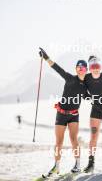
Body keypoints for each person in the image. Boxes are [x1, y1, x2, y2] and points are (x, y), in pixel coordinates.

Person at [39, 48, 88, 177]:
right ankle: (56, 166)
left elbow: (95, 94)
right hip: (61, 113)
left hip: (74, 115)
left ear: (86, 70)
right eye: (78, 67)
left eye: (83, 67)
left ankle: (77, 164)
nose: (80, 68)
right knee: (59, 141)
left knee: (73, 140)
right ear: (76, 69)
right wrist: (46, 57)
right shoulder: (70, 78)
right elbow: (57, 68)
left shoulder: (86, 86)